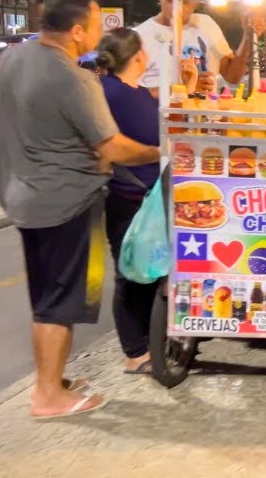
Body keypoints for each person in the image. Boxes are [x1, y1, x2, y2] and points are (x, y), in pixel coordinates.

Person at [0, 0, 161, 418]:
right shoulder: (73, 77)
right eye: (95, 24)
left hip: (25, 199)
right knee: (62, 302)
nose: (99, 32)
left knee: (45, 297)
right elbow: (111, 148)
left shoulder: (15, 56)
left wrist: (11, 158)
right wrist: (161, 152)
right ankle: (48, 398)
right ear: (77, 31)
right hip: (67, 203)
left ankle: (53, 381)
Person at [97, 28, 196, 374]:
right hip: (129, 196)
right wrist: (158, 151)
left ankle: (153, 338)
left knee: (151, 269)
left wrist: (189, 82)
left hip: (152, 195)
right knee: (131, 272)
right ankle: (136, 352)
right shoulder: (109, 93)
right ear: (139, 55)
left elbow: (164, 105)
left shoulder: (132, 90)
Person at [133, 0, 266, 95]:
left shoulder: (205, 24)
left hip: (204, 121)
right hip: (161, 122)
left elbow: (232, 76)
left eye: (185, 2)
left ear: (196, 1)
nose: (176, 8)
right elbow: (130, 92)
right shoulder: (140, 36)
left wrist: (248, 37)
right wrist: (187, 87)